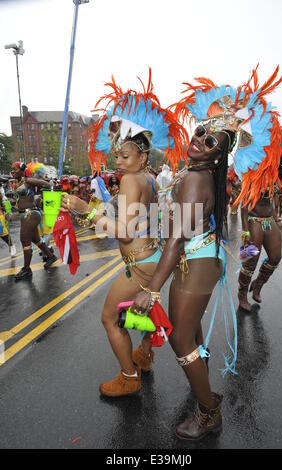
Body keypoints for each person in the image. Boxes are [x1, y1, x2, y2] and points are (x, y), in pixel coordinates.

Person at [134, 65, 282, 440]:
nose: (200, 140)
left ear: (220, 155)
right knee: (193, 334)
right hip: (201, 261)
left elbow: (175, 240)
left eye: (211, 141)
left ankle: (207, 412)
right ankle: (204, 390)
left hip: (194, 262)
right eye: (201, 132)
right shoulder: (197, 176)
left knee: (180, 339)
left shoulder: (196, 179)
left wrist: (151, 289)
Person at [61, 70, 187, 397]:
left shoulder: (131, 180)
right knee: (135, 311)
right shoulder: (145, 179)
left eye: (125, 155)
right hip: (151, 258)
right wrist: (92, 212)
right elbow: (133, 219)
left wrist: (85, 210)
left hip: (141, 262)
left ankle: (128, 377)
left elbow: (127, 230)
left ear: (142, 156)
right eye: (116, 154)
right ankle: (144, 354)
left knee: (109, 318)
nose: (117, 160)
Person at [238, 153, 282, 311]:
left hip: (268, 220)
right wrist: (245, 230)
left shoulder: (277, 179)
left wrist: (276, 219)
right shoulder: (259, 174)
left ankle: (257, 285)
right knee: (250, 260)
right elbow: (244, 203)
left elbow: (269, 201)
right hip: (253, 220)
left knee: (276, 257)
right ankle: (242, 294)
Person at [10, 162, 57, 280]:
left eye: (15, 169)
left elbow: (44, 183)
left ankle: (26, 269)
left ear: (22, 169)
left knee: (24, 239)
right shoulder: (21, 182)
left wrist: (50, 185)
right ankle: (51, 256)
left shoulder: (28, 180)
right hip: (25, 214)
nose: (13, 171)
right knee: (35, 239)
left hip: (30, 213)